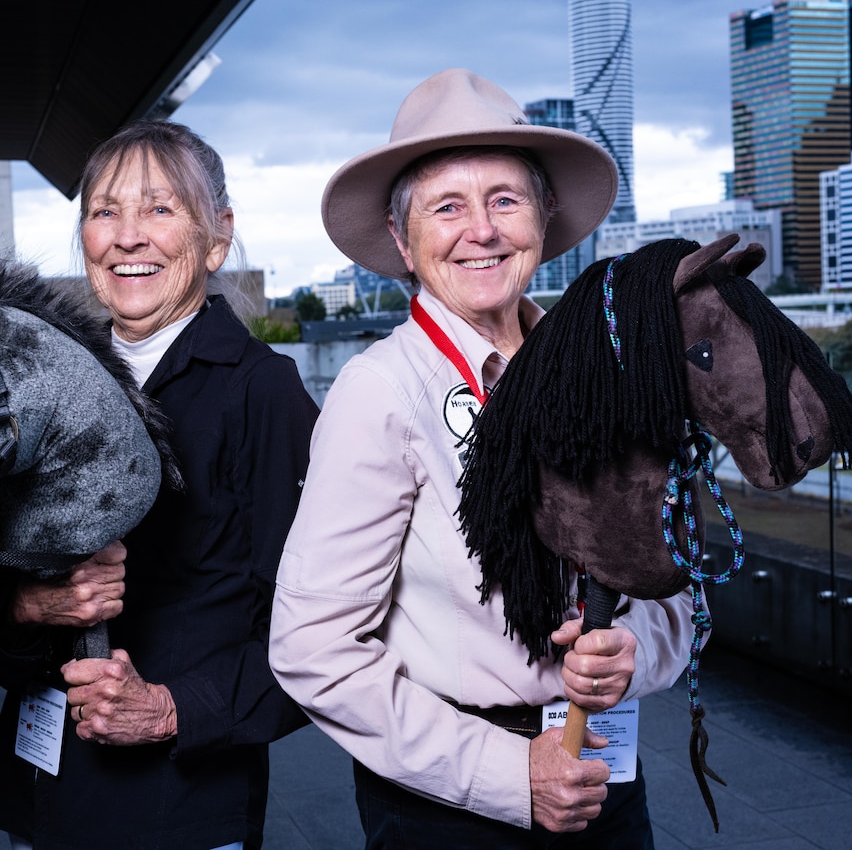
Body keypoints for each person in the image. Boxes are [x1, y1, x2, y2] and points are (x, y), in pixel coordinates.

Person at [268, 68, 700, 849]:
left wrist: (637, 654)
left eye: (505, 199)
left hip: (603, 773)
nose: (483, 230)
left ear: (544, 215)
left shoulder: (607, 379)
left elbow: (679, 592)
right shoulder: (380, 393)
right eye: (447, 207)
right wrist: (508, 775)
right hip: (449, 806)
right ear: (402, 240)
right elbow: (312, 651)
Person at [0, 119, 319, 850]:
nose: (128, 236)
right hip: (36, 792)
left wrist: (174, 709)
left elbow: (322, 632)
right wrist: (26, 605)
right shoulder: (37, 387)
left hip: (176, 809)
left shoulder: (263, 393)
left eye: (161, 209)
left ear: (216, 237)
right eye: (105, 211)